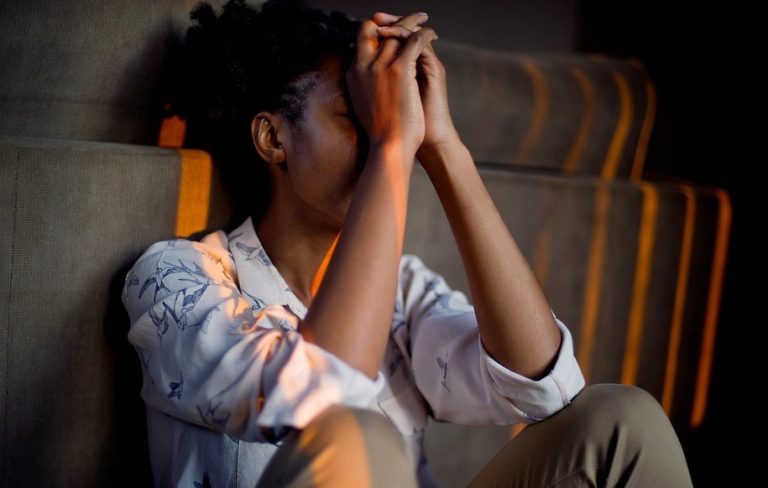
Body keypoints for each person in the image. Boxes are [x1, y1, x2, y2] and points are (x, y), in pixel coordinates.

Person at [121, 0, 694, 486]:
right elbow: (329, 393)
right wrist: (394, 145)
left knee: (621, 420)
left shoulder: (404, 286)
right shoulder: (176, 279)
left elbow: (548, 387)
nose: (381, 134)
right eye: (358, 116)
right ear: (273, 138)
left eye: (390, 119)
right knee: (353, 433)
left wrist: (443, 146)